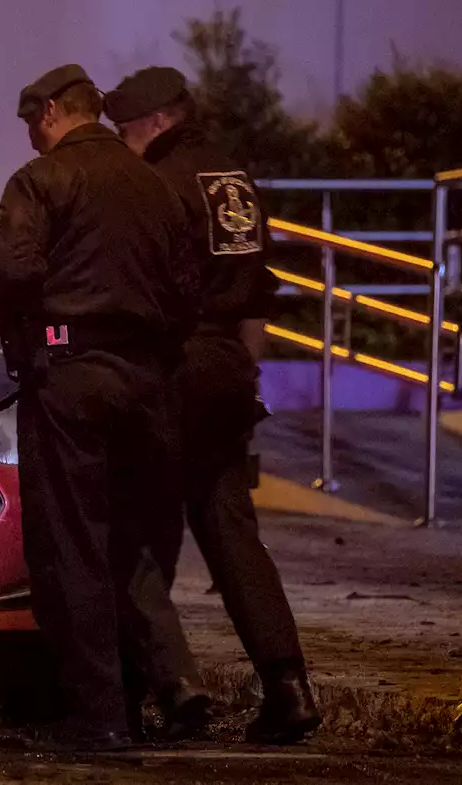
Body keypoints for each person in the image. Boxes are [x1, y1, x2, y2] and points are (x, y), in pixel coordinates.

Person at [0, 64, 208, 749]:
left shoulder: (43, 181)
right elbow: (190, 294)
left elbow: (10, 268)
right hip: (149, 383)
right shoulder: (156, 185)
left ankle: (99, 715)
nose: (30, 139)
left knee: (71, 547)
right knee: (135, 544)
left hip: (71, 378)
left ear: (49, 111)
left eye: (30, 125)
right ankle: (160, 686)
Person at [106, 66, 322, 744]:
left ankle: (166, 687)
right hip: (230, 367)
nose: (121, 141)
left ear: (158, 122)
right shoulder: (234, 178)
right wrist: (237, 368)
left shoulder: (156, 184)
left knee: (134, 530)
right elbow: (259, 291)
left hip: (174, 364)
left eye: (125, 129)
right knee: (232, 532)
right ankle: (288, 684)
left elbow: (142, 288)